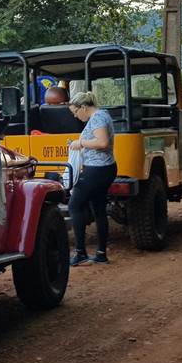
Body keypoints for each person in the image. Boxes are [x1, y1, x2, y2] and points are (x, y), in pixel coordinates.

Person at [66, 90, 118, 266]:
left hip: (97, 169)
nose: (75, 116)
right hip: (103, 168)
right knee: (98, 209)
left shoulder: (97, 118)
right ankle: (100, 253)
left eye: (75, 112)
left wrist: (80, 143)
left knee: (74, 206)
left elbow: (102, 142)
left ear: (83, 107)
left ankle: (80, 252)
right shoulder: (102, 116)